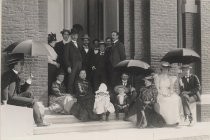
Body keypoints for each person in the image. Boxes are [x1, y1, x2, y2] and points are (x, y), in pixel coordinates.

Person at [1, 53, 48, 127]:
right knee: (32, 102)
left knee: (29, 94)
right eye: (20, 64)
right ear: (15, 65)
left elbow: (21, 90)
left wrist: (28, 80)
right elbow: (4, 87)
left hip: (15, 96)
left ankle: (34, 115)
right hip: (10, 98)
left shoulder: (16, 76)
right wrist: (4, 100)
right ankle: (39, 122)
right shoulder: (8, 74)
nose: (22, 66)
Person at [64, 28, 82, 94]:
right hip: (72, 66)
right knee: (71, 81)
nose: (74, 37)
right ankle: (70, 96)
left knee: (78, 81)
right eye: (73, 35)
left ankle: (77, 96)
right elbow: (66, 57)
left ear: (77, 36)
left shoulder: (80, 44)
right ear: (71, 36)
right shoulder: (68, 45)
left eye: (76, 35)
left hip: (79, 66)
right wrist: (68, 66)